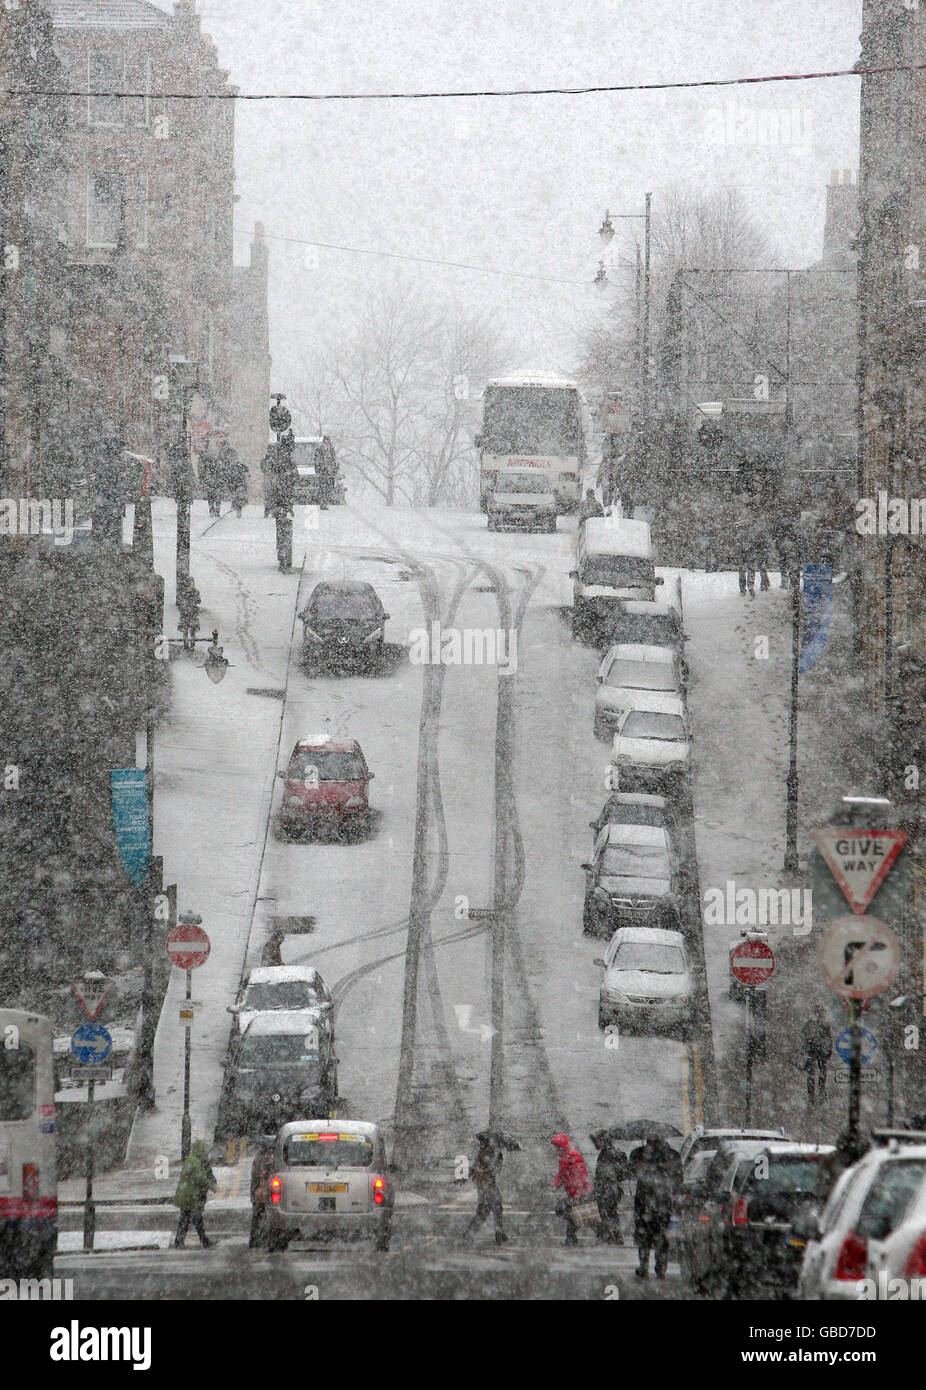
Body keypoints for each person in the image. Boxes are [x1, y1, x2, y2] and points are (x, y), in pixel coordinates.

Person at [463, 1130, 520, 1245]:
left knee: (492, 1208)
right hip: (485, 1184)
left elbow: (491, 1170)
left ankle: (495, 1232)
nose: (482, 1143)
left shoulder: (495, 1154)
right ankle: (494, 1233)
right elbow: (477, 1168)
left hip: (488, 1184)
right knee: (489, 1208)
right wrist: (471, 1175)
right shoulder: (485, 1153)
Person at [633, 1136, 678, 1279]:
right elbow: (678, 1179)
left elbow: (631, 1173)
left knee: (645, 1237)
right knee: (660, 1237)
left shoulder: (639, 1154)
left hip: (647, 1203)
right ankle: (659, 1268)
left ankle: (645, 1267)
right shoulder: (672, 1155)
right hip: (661, 1203)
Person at [172, 1139, 217, 1248]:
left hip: (188, 1195)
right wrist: (212, 1186)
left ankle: (180, 1241)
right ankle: (203, 1241)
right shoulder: (194, 1162)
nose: (207, 1154)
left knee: (186, 1219)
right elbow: (200, 1178)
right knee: (194, 1219)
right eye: (205, 1152)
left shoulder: (193, 1160)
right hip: (190, 1196)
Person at [551, 1132, 592, 1247]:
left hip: (579, 1194)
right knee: (573, 1214)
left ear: (562, 1146)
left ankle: (571, 1238)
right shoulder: (565, 1158)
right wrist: (556, 1185)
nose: (556, 1150)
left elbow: (579, 1174)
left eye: (557, 1147)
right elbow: (561, 1174)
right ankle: (570, 1239)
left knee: (565, 1210)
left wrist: (578, 1190)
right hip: (574, 1193)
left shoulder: (573, 1156)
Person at [591, 1133, 630, 1244]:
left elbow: (601, 1173)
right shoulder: (618, 1153)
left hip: (607, 1188)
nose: (595, 1144)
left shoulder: (607, 1154)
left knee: (605, 1211)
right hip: (614, 1188)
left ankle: (609, 1235)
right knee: (611, 1211)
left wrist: (608, 1177)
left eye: (597, 1141)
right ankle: (615, 1236)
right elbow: (625, 1174)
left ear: (603, 1141)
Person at [801, 1004, 833, 1104]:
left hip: (816, 1052)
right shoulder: (818, 1024)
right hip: (818, 1052)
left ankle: (816, 1094)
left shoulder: (812, 1024)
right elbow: (828, 1038)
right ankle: (818, 1094)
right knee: (817, 1074)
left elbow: (804, 1037)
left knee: (815, 1074)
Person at [249, 1135, 276, 1248]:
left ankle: (255, 1239)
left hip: (258, 1192)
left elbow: (255, 1177)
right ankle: (263, 1239)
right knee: (265, 1216)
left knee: (258, 1216)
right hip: (263, 1192)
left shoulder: (258, 1158)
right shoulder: (266, 1159)